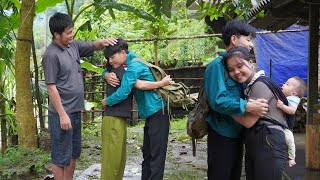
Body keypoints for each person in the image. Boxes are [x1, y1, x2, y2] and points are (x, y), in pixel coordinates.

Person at [41, 12, 118, 180]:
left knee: (73, 153)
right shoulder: (51, 55)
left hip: (75, 110)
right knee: (60, 155)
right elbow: (51, 88)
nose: (72, 35)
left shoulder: (72, 46)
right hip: (62, 113)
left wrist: (104, 42)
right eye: (68, 32)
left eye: (72, 31)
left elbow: (92, 46)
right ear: (56, 35)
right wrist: (62, 115)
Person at [204, 19, 269, 180]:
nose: (251, 45)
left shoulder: (239, 67)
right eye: (248, 39)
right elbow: (217, 100)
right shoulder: (217, 66)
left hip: (238, 133)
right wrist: (247, 106)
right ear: (234, 39)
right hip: (221, 134)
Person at [101, 38, 170, 180]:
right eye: (108, 58)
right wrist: (105, 75)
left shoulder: (134, 66)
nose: (110, 61)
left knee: (156, 155)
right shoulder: (129, 63)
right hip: (151, 113)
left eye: (112, 57)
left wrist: (106, 101)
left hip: (158, 111)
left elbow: (123, 92)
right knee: (148, 153)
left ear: (122, 53)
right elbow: (140, 85)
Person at [223, 46, 293, 180]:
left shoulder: (260, 85)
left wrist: (224, 108)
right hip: (260, 142)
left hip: (268, 141)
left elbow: (249, 121)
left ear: (250, 62)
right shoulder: (250, 87)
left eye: (239, 66)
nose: (236, 72)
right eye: (231, 70)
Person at [276, 76, 307, 167]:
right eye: (285, 83)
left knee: (290, 140)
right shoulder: (285, 96)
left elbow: (292, 110)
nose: (283, 85)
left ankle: (291, 158)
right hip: (280, 124)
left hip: (286, 127)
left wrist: (282, 106)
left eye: (287, 84)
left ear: (293, 93)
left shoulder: (293, 99)